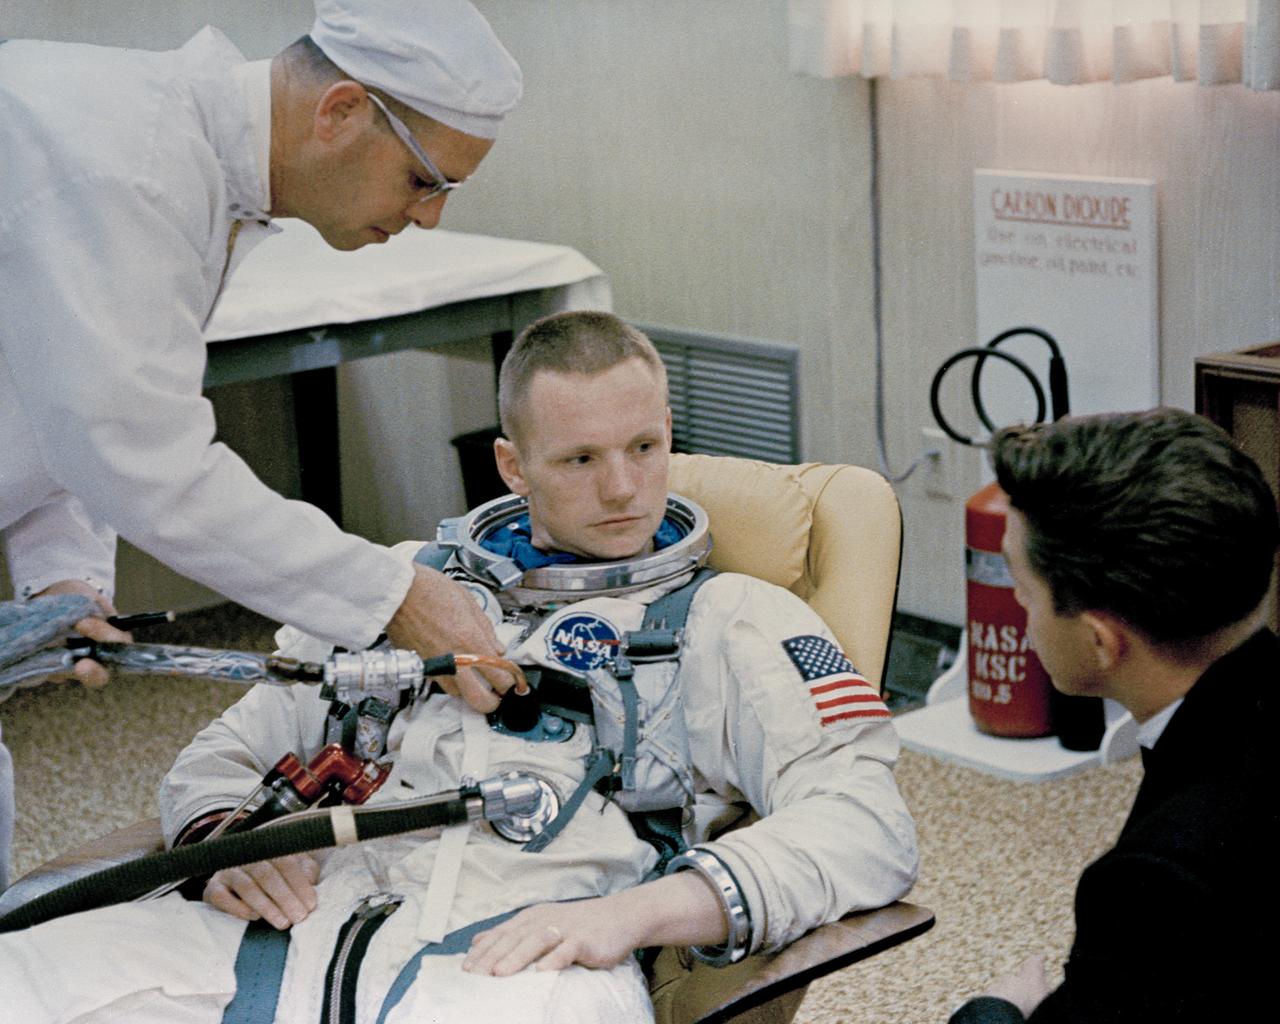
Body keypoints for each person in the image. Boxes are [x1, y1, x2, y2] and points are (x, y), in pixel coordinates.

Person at [0, 311, 919, 1023]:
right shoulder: (401, 588)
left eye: (645, 448)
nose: (622, 487)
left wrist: (633, 920)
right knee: (22, 976)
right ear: (513, 465)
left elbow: (864, 823)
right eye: (580, 458)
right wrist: (215, 840)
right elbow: (230, 749)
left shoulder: (732, 618)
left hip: (532, 957)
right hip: (294, 928)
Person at [0, 0, 523, 891]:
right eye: (425, 179)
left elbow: (63, 398)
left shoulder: (185, 161)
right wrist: (390, 591)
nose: (429, 217)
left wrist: (62, 576)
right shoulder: (129, 165)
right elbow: (140, 452)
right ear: (341, 111)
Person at [949, 408, 1279, 1023]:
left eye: (1023, 590)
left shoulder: (1157, 884)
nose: (1019, 610)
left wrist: (993, 1010)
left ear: (1101, 640)